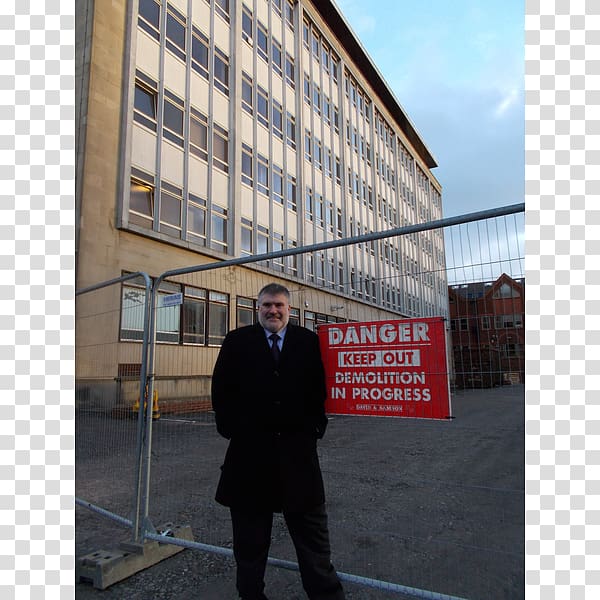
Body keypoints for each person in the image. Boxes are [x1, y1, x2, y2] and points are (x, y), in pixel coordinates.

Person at [211, 283, 345, 600]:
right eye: (267, 305)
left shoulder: (307, 342)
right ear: (257, 308)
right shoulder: (237, 341)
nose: (273, 310)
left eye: (279, 305)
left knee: (314, 546)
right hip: (249, 460)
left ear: (289, 309)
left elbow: (318, 389)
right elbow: (221, 389)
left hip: (298, 459)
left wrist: (315, 428)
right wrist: (231, 429)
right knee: (249, 546)